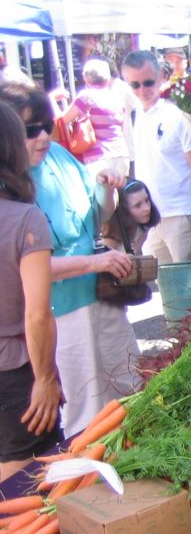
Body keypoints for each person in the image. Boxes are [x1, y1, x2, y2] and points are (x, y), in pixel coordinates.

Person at [0, 83, 139, 438]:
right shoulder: (10, 187)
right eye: (30, 130)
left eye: (47, 126)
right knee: (84, 415)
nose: (42, 137)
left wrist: (106, 188)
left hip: (102, 297)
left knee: (130, 393)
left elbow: (98, 214)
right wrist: (94, 264)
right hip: (58, 316)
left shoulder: (60, 156)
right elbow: (24, 269)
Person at [0, 101, 62, 477]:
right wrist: (45, 379)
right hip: (14, 376)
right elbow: (37, 314)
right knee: (22, 490)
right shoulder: (25, 218)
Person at [121, 51, 191, 264]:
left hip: (181, 213)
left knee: (187, 280)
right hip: (150, 217)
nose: (142, 90)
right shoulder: (133, 114)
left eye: (148, 82)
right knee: (161, 279)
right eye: (135, 85)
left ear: (161, 77)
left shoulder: (175, 115)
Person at [58, 58, 129, 177]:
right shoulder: (117, 99)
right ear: (108, 79)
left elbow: (63, 120)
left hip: (99, 158)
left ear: (86, 79)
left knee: (99, 189)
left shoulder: (86, 97)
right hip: (121, 154)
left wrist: (51, 99)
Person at [102, 179, 160, 256]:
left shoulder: (142, 226)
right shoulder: (110, 238)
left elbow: (136, 254)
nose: (147, 208)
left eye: (147, 200)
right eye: (138, 205)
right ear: (124, 210)